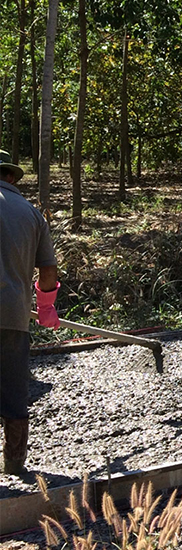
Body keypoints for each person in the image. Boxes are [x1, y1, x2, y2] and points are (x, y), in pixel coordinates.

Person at [0, 150, 60, 475]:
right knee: (12, 391)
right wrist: (46, 305)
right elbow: (48, 270)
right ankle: (13, 464)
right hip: (13, 316)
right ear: (11, 177)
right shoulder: (32, 214)